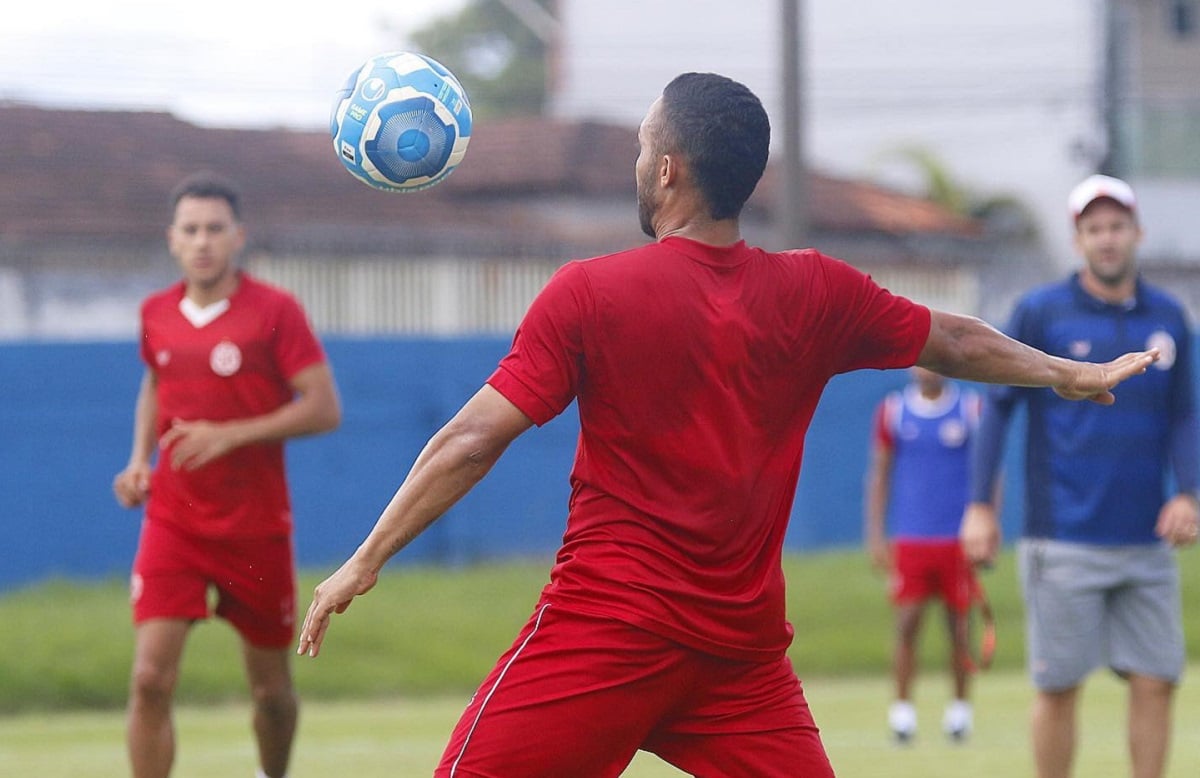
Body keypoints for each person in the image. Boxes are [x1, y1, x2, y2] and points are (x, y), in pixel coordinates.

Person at [297, 74, 1157, 778]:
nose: (637, 161)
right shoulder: (816, 291)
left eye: (642, 147)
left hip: (610, 635)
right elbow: (958, 337)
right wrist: (1063, 372)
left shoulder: (590, 293)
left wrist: (366, 560)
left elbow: (471, 437)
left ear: (669, 170)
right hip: (739, 659)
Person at [961, 174, 1199, 778]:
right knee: (1061, 685)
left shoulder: (1170, 317)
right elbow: (998, 407)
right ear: (1078, 240)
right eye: (1094, 228)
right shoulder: (1041, 313)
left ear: (1136, 232)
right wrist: (980, 506)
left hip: (1146, 542)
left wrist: (1190, 493)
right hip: (1062, 538)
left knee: (1157, 679)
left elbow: (1184, 416)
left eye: (1117, 226)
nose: (1108, 239)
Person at [112, 171, 342, 778]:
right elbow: (156, 383)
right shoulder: (155, 314)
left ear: (238, 236)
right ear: (172, 239)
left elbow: (323, 407)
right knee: (149, 680)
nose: (203, 240)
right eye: (191, 229)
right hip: (174, 522)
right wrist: (140, 460)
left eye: (215, 228)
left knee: (270, 691)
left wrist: (228, 434)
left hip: (255, 527)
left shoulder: (274, 311)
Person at [864, 366, 981, 744]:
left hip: (958, 539)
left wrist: (984, 526)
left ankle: (960, 713)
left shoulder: (969, 409)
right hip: (912, 539)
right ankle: (902, 714)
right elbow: (880, 474)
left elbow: (988, 473)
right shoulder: (894, 411)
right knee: (907, 625)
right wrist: (877, 535)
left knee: (959, 629)